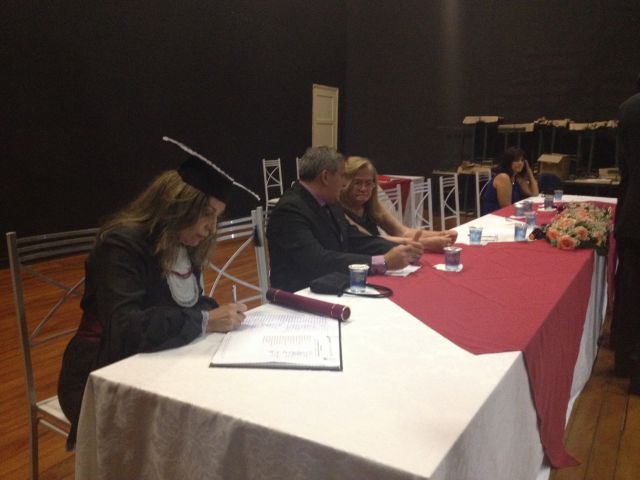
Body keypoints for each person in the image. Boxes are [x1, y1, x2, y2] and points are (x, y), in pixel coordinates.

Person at [58, 140, 254, 448]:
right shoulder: (121, 246)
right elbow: (126, 327)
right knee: (191, 426)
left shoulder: (183, 243)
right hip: (100, 373)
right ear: (178, 205)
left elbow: (183, 304)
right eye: (206, 214)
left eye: (217, 216)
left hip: (157, 359)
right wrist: (204, 320)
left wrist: (215, 313)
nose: (211, 228)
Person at [267, 146, 422, 292]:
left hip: (330, 285)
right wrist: (383, 262)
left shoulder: (328, 201)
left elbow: (354, 238)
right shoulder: (289, 210)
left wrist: (401, 249)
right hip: (299, 296)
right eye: (342, 176)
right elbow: (317, 260)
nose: (344, 184)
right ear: (325, 177)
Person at [340, 156, 457, 251]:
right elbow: (370, 240)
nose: (363, 188)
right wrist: (424, 243)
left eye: (368, 183)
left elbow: (402, 232)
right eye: (357, 183)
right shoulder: (339, 211)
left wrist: (441, 234)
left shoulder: (371, 205)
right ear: (344, 183)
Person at [612, 76, 640, 395]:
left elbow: (625, 171)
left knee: (629, 289)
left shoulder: (628, 108)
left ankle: (623, 359)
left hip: (633, 212)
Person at [481, 147, 539, 215]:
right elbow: (506, 207)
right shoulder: (503, 177)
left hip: (509, 213)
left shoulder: (517, 177)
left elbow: (534, 194)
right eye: (516, 160)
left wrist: (529, 172)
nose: (520, 163)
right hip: (494, 216)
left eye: (522, 160)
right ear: (508, 162)